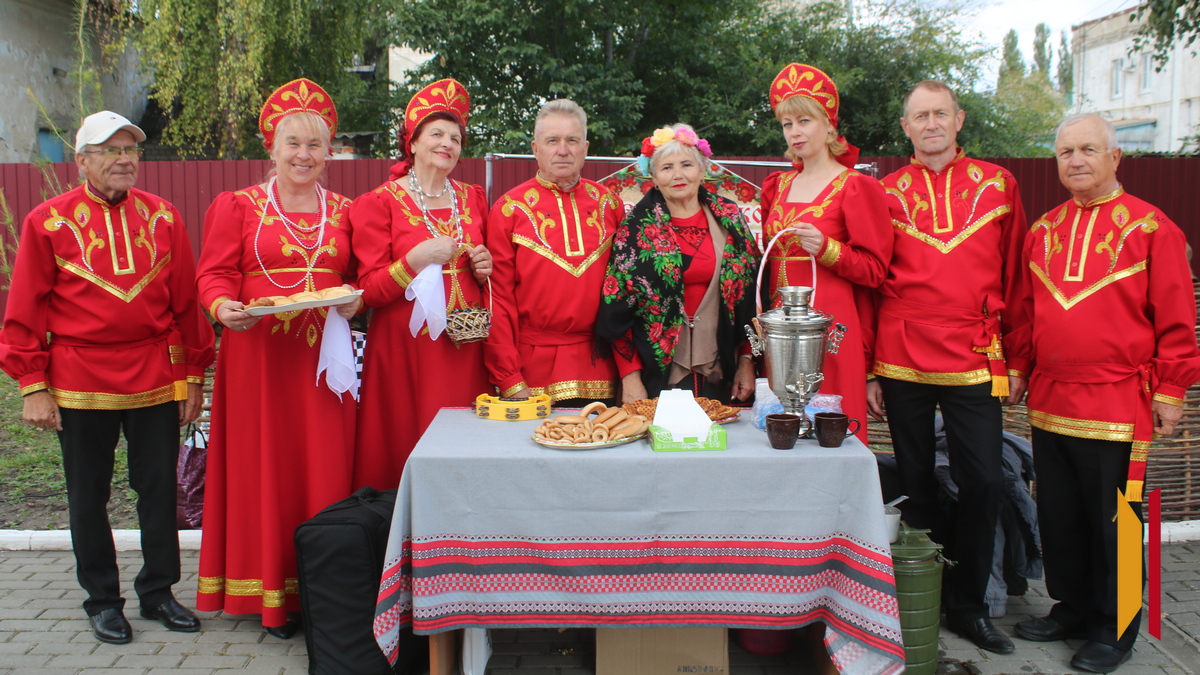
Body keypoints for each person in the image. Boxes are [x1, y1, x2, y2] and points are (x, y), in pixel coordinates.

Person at [0, 111, 215, 644]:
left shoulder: (164, 218)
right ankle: (101, 600)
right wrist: (33, 385)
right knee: (87, 494)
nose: (124, 159)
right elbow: (24, 310)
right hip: (78, 378)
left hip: (154, 375)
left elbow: (185, 305)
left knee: (158, 489)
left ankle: (159, 592)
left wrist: (192, 374)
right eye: (111, 150)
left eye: (131, 150)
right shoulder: (48, 223)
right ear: (81, 160)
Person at [1006, 113, 1200, 673]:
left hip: (1118, 402)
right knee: (1061, 516)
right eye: (1065, 152)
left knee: (1116, 520)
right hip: (1050, 399)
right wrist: (1018, 367)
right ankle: (1071, 608)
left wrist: (1171, 389)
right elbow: (1026, 312)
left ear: (1115, 158)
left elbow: (1176, 317)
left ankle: (1116, 629)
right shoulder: (1043, 231)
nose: (1076, 160)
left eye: (1088, 149)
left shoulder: (1153, 228)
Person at [194, 79, 361, 639]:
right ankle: (268, 593)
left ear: (329, 153)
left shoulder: (347, 211)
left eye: (315, 145)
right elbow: (213, 273)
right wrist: (222, 306)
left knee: (322, 465)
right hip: (259, 359)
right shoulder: (237, 206)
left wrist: (356, 298)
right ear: (272, 147)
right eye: (294, 143)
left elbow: (362, 274)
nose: (304, 155)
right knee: (263, 466)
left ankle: (321, 592)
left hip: (323, 362)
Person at [870, 80, 1029, 653]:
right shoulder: (884, 191)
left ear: (959, 120)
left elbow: (1017, 276)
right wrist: (869, 370)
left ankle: (970, 606)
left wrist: (1019, 357)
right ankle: (927, 592)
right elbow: (871, 280)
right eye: (920, 116)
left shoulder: (999, 183)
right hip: (901, 351)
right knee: (915, 483)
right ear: (906, 128)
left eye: (941, 113)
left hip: (975, 351)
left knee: (985, 479)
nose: (931, 123)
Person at [351, 78, 492, 489]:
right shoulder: (378, 203)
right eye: (436, 134)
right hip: (405, 355)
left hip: (466, 349)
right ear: (411, 143)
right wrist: (415, 259)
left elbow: (489, 275)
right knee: (408, 450)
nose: (447, 143)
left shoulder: (473, 198)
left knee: (464, 455)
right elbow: (368, 292)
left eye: (455, 137)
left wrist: (484, 267)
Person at [759, 63, 893, 443]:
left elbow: (876, 270)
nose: (795, 132)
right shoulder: (776, 186)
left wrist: (828, 249)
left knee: (829, 434)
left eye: (804, 120)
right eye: (787, 123)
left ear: (829, 125)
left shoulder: (856, 187)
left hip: (832, 332)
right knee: (781, 432)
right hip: (779, 331)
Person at [596, 123, 759, 404]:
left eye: (686, 164)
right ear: (654, 176)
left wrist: (747, 360)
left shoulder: (730, 217)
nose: (678, 175)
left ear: (702, 169)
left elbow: (750, 297)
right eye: (667, 167)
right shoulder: (635, 227)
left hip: (722, 371)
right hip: (655, 375)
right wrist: (630, 378)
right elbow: (616, 309)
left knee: (722, 431)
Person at [484, 99, 622, 404]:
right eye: (552, 141)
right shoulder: (509, 210)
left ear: (585, 148)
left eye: (572, 140)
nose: (563, 150)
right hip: (531, 371)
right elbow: (498, 300)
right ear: (536, 148)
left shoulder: (610, 204)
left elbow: (625, 296)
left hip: (603, 366)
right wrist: (509, 378)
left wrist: (630, 373)